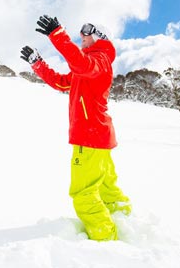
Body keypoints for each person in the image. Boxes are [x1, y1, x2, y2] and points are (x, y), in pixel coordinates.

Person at [20, 15, 130, 241]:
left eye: (86, 33)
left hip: (89, 138)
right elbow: (61, 82)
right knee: (107, 189)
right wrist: (38, 63)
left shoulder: (99, 60)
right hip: (99, 138)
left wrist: (57, 35)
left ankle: (106, 241)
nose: (81, 37)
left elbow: (80, 63)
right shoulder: (89, 67)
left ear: (99, 36)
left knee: (83, 193)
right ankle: (127, 222)